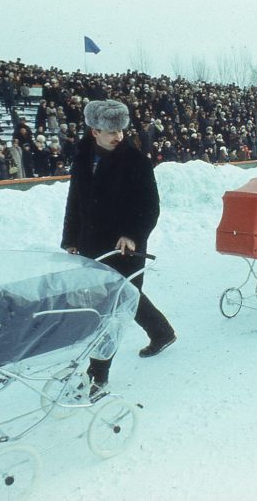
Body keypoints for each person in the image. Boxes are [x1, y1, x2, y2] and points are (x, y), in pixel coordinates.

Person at [62, 99, 176, 392]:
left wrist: (132, 234)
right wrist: (71, 238)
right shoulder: (82, 158)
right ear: (95, 131)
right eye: (111, 131)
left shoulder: (136, 161)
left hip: (125, 247)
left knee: (112, 307)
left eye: (121, 131)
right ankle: (161, 332)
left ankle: (97, 374)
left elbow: (150, 206)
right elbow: (75, 201)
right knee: (126, 296)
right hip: (92, 244)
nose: (118, 136)